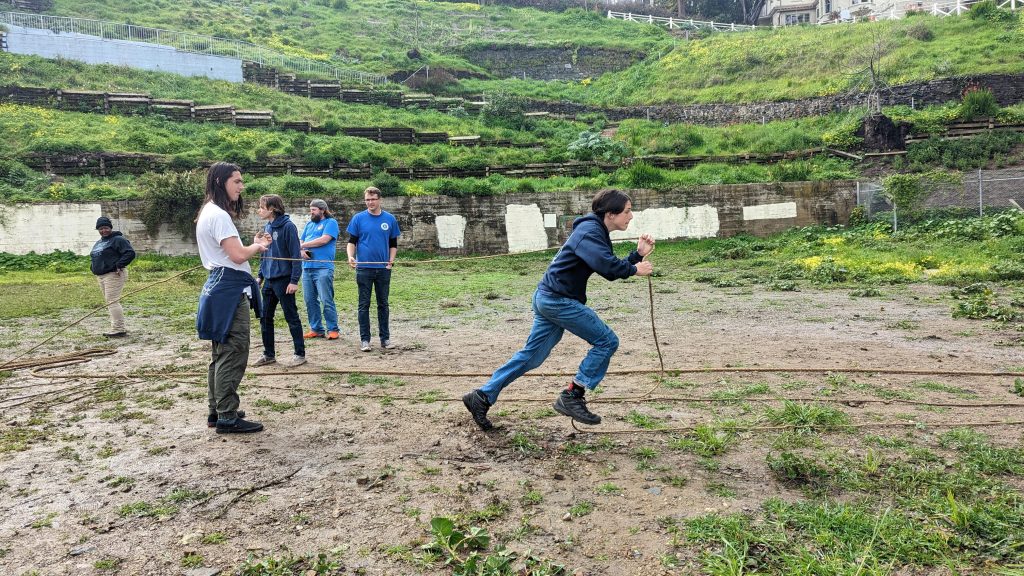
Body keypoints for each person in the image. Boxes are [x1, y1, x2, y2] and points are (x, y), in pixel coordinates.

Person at [462, 189, 655, 431]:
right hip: (558, 300)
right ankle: (573, 395)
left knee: (531, 357)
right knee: (606, 342)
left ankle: (481, 396)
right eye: (627, 211)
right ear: (610, 213)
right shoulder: (589, 231)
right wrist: (636, 269)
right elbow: (607, 266)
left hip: (548, 297)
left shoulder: (594, 231)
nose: (631, 216)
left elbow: (606, 264)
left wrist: (636, 256)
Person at [195, 162, 270, 434]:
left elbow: (231, 251)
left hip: (217, 286)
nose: (241, 186)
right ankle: (227, 415)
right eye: (236, 181)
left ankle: (217, 409)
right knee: (233, 351)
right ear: (221, 182)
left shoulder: (208, 212)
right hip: (228, 289)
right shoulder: (219, 215)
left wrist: (249, 245)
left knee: (220, 352)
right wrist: (258, 246)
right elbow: (238, 256)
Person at [253, 194, 306, 368]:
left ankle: (300, 354)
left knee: (291, 317)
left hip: (284, 281)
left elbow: (295, 255)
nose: (259, 210)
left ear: (272, 209)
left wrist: (294, 280)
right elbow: (264, 253)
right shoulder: (267, 226)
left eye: (261, 207)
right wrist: (260, 275)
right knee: (265, 317)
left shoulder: (288, 227)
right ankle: (268, 354)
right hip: (268, 280)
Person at [346, 186, 401, 352]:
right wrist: (350, 256)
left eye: (373, 199)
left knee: (383, 304)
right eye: (367, 200)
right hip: (364, 269)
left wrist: (390, 261)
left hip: (383, 269)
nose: (370, 202)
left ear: (379, 200)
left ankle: (385, 339)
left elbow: (393, 244)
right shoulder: (358, 218)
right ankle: (365, 340)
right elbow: (351, 241)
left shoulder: (389, 219)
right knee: (364, 304)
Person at [299, 199, 340, 340]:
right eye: (311, 210)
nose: (311, 212)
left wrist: (303, 246)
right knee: (310, 300)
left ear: (322, 210)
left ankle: (333, 329)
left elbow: (324, 240)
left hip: (323, 267)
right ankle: (316, 329)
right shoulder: (309, 224)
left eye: (314, 210)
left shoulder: (330, 223)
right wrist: (301, 250)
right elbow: (301, 241)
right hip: (307, 267)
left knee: (326, 299)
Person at [90, 216, 136, 338]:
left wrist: (119, 264)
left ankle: (119, 328)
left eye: (105, 228)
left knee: (112, 301)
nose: (103, 231)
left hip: (113, 274)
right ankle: (116, 326)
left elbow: (130, 253)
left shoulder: (118, 239)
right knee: (109, 301)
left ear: (110, 228)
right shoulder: (100, 242)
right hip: (101, 275)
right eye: (100, 228)